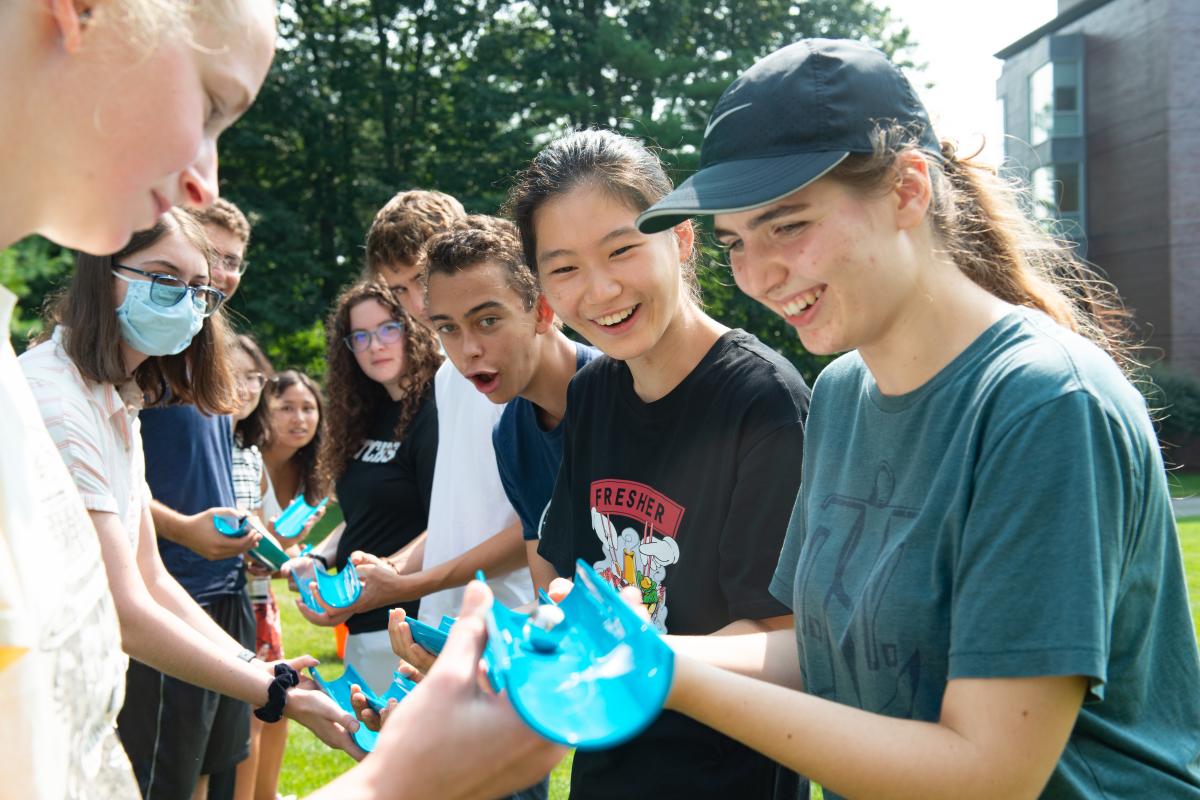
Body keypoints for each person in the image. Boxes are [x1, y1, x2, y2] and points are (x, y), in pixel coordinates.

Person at [627, 38, 1200, 798]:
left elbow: (988, 775)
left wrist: (669, 681)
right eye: (735, 241)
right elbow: (823, 651)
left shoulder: (1046, 404)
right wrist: (623, 651)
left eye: (788, 224)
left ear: (908, 191)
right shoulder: (839, 393)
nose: (758, 275)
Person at [0, 1, 274, 794]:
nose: (204, 180)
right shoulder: (44, 393)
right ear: (81, 13)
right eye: (212, 104)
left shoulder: (108, 400)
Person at [506, 128, 812, 800]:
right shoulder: (592, 391)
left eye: (621, 249)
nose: (601, 289)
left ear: (680, 239)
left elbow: (783, 641)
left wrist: (627, 656)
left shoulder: (763, 401)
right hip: (607, 767)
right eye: (564, 268)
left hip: (726, 777)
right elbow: (573, 575)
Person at [19, 209, 363, 788]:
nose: (186, 303)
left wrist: (262, 666)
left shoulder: (116, 401)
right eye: (163, 278)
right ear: (103, 273)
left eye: (199, 290)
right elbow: (126, 609)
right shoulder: (54, 398)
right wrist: (275, 691)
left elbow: (152, 578)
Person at [130, 197, 264, 800]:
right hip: (162, 597)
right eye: (208, 258)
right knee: (165, 780)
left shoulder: (207, 352)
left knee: (221, 768)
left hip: (225, 592)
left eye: (231, 264)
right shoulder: (140, 349)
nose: (219, 277)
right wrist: (182, 529)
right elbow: (103, 489)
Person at [361, 191, 533, 630]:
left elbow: (536, 524)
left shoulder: (510, 366)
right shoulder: (447, 374)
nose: (417, 304)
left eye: (420, 279)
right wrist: (394, 569)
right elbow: (458, 512)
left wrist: (410, 585)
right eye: (399, 289)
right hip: (447, 620)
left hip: (512, 620)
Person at [424, 216, 599, 592]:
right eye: (447, 328)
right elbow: (547, 598)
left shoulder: (632, 394)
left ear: (542, 311)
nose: (467, 350)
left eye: (487, 320)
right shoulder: (509, 436)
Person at [288, 282, 441, 694]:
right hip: (362, 624)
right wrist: (317, 558)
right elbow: (365, 515)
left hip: (414, 627)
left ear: (413, 326)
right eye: (361, 336)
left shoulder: (438, 407)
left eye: (388, 328)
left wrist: (379, 578)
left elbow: (450, 521)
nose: (376, 345)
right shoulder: (364, 414)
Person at [228, 333, 294, 800]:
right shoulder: (209, 443)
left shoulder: (249, 451)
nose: (248, 389)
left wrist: (278, 553)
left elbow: (257, 521)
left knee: (271, 703)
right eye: (236, 378)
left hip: (257, 597)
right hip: (220, 601)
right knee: (244, 714)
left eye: (255, 378)